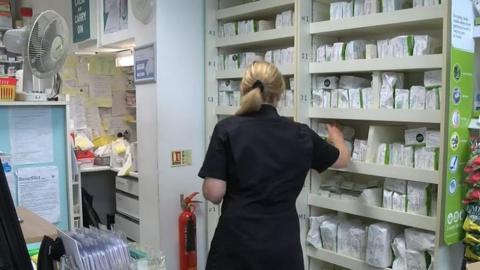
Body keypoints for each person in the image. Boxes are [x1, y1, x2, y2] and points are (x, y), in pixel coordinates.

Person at [198, 61, 350, 270]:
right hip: (281, 246)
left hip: (235, 244)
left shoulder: (227, 129)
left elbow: (214, 193)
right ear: (280, 94)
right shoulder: (301, 133)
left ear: (244, 90)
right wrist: (337, 138)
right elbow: (342, 160)